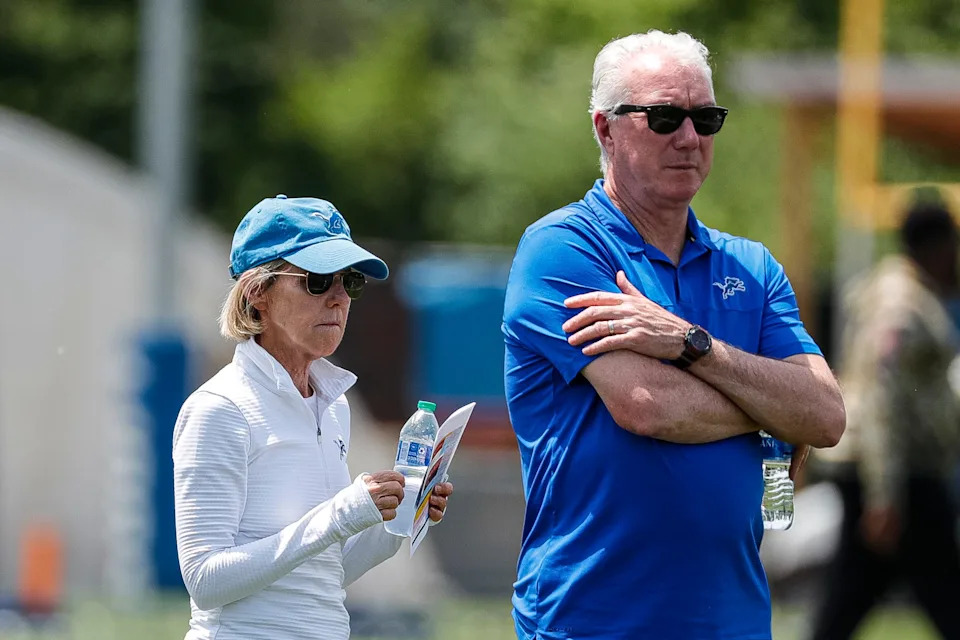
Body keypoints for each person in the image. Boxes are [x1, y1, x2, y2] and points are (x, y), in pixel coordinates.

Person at [502, 30, 845, 639]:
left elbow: (824, 416)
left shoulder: (751, 266)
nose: (689, 137)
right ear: (605, 129)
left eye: (705, 118)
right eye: (664, 117)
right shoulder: (563, 248)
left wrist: (690, 343)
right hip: (591, 623)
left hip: (733, 622)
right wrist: (769, 408)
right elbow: (648, 405)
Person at [172, 195, 454, 640]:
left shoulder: (332, 404)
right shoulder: (219, 408)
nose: (340, 298)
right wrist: (340, 515)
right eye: (318, 280)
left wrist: (398, 521)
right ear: (257, 293)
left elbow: (320, 577)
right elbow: (206, 581)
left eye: (351, 282)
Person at [810, 199, 960, 640]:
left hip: (887, 471)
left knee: (853, 594)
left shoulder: (903, 291)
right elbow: (883, 402)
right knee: (946, 594)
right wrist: (885, 494)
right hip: (898, 474)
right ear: (940, 247)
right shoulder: (902, 305)